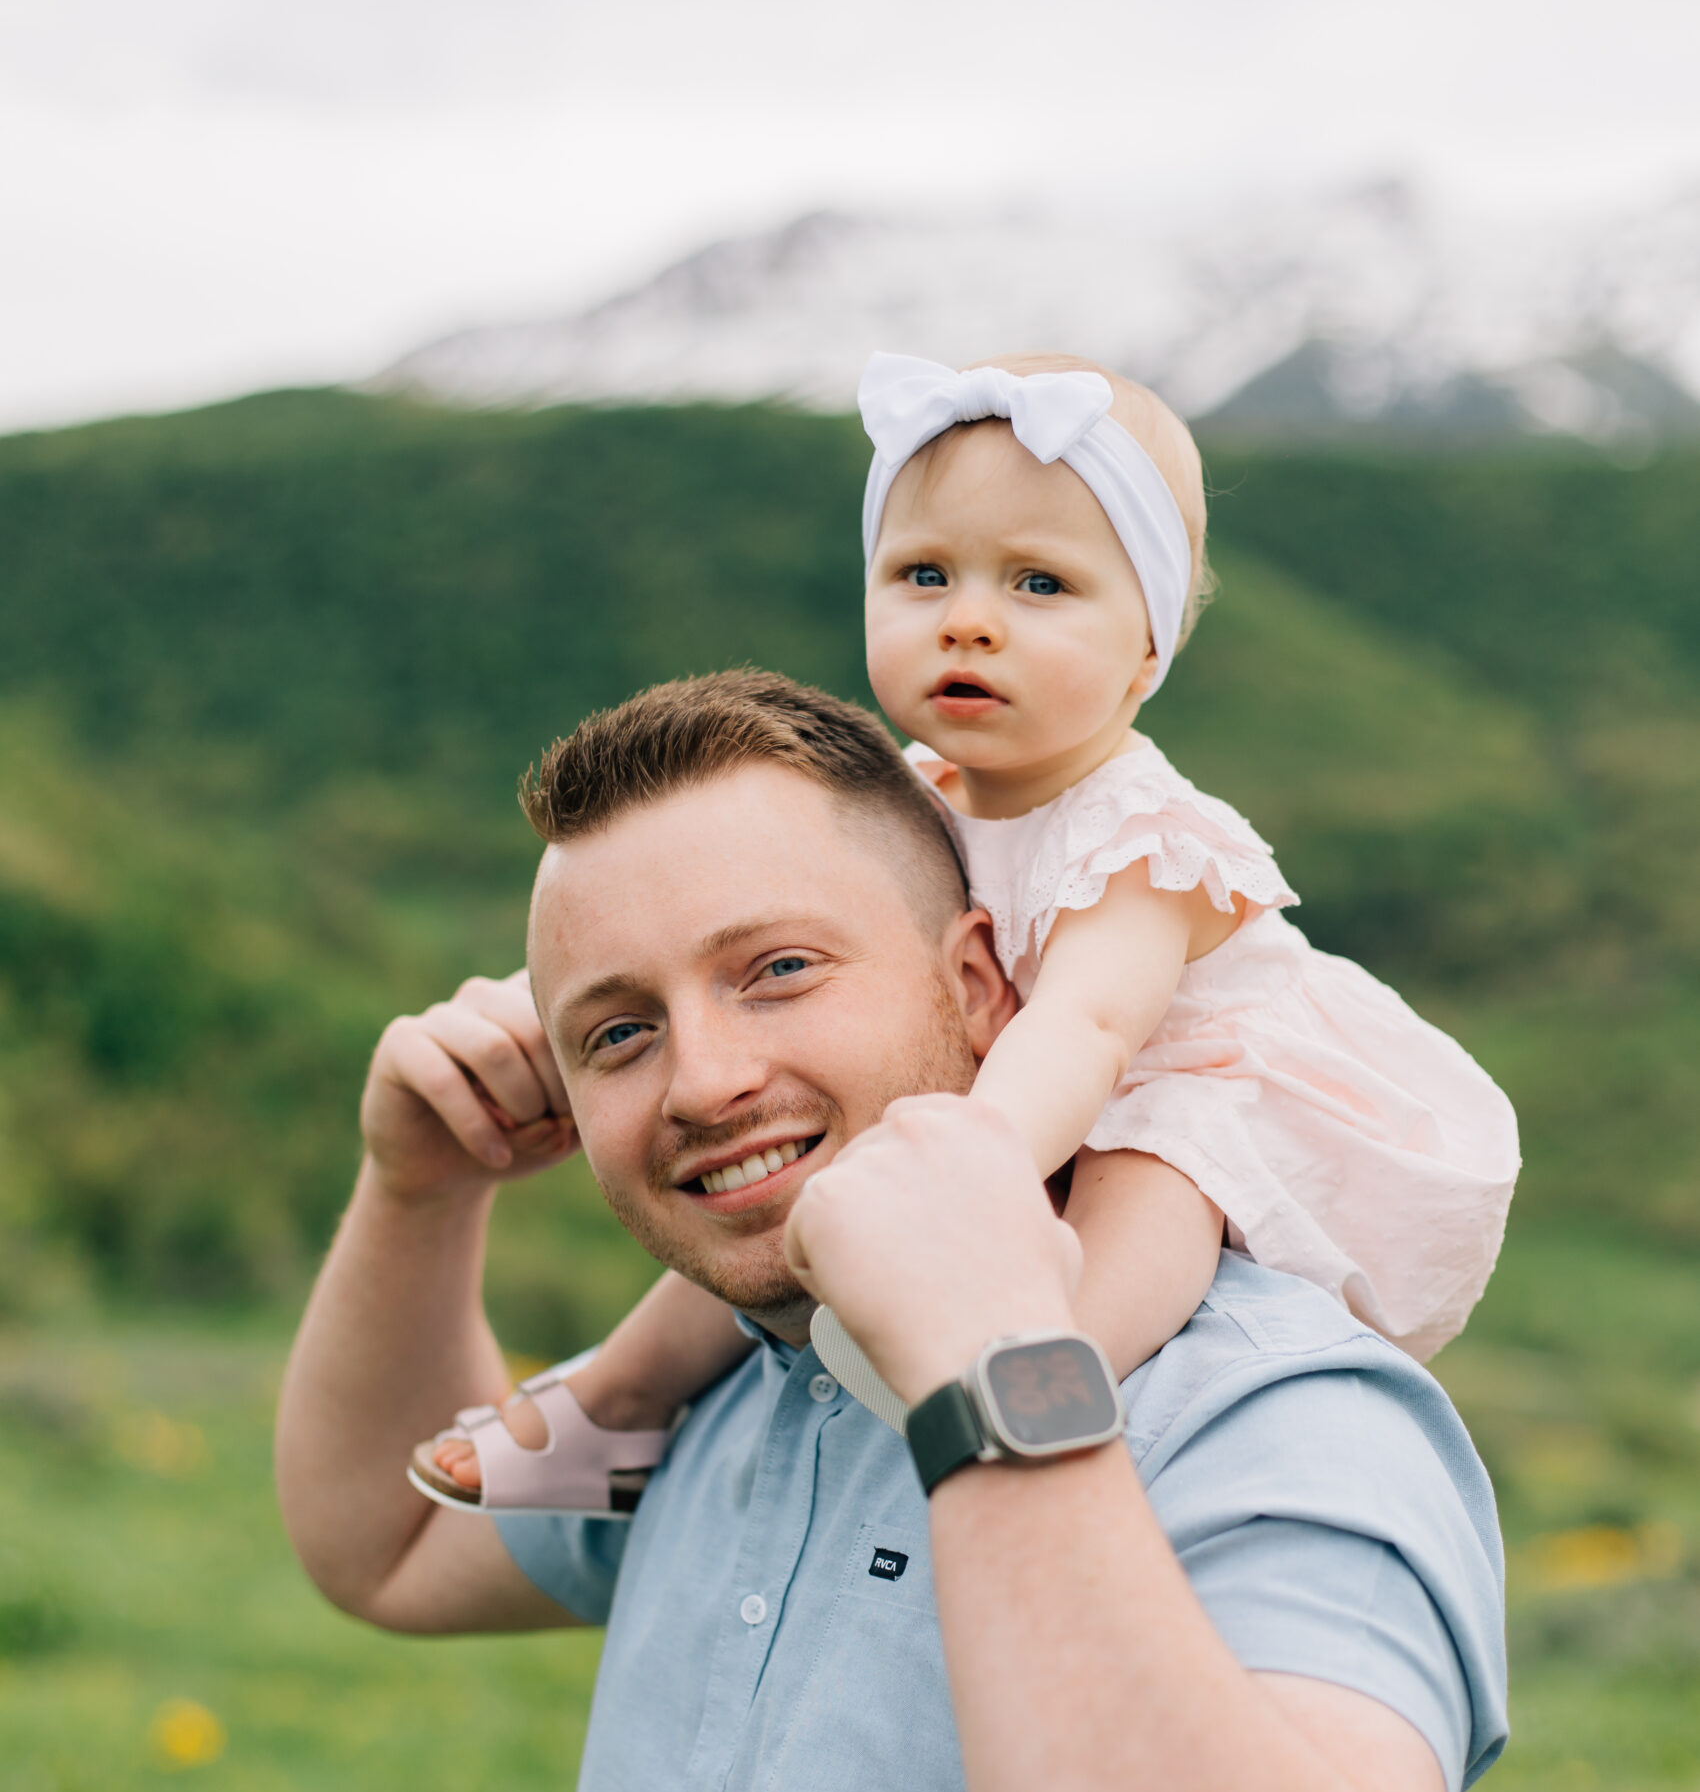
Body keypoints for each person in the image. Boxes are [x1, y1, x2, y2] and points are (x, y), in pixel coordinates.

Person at [276, 670, 1508, 1792]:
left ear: (985, 982)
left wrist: (991, 1358)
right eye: (620, 1034)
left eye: (779, 971)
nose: (706, 1078)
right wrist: (416, 1191)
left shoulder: (1275, 1418)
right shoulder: (746, 1383)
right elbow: (383, 1539)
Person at [415, 352, 1517, 1512]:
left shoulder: (1139, 835)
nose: (970, 625)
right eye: (923, 576)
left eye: (1037, 586)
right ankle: (616, 1410)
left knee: (1158, 1182)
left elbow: (1089, 1024)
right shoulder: (908, 792)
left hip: (1164, 1079)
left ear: (1145, 651)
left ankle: (1051, 1368)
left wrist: (965, 1173)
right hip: (1012, 1085)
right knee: (765, 1195)